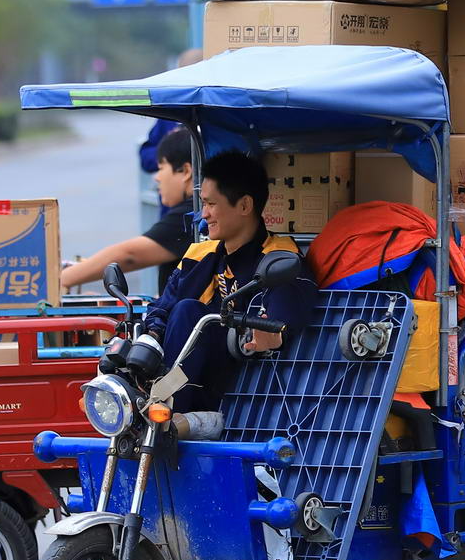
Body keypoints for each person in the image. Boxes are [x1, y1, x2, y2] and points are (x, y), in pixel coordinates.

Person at [119, 151, 314, 411]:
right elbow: (161, 309)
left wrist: (270, 336)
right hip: (184, 375)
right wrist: (151, 334)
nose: (204, 214)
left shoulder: (280, 259)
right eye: (203, 204)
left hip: (245, 387)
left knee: (189, 311)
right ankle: (156, 406)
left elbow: (280, 324)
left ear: (245, 206)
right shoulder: (199, 254)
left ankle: (166, 416)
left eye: (211, 204)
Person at [62, 126, 197, 294]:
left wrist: (62, 279)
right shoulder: (197, 208)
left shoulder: (192, 214)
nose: (157, 177)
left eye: (161, 168)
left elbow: (130, 255)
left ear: (185, 171)